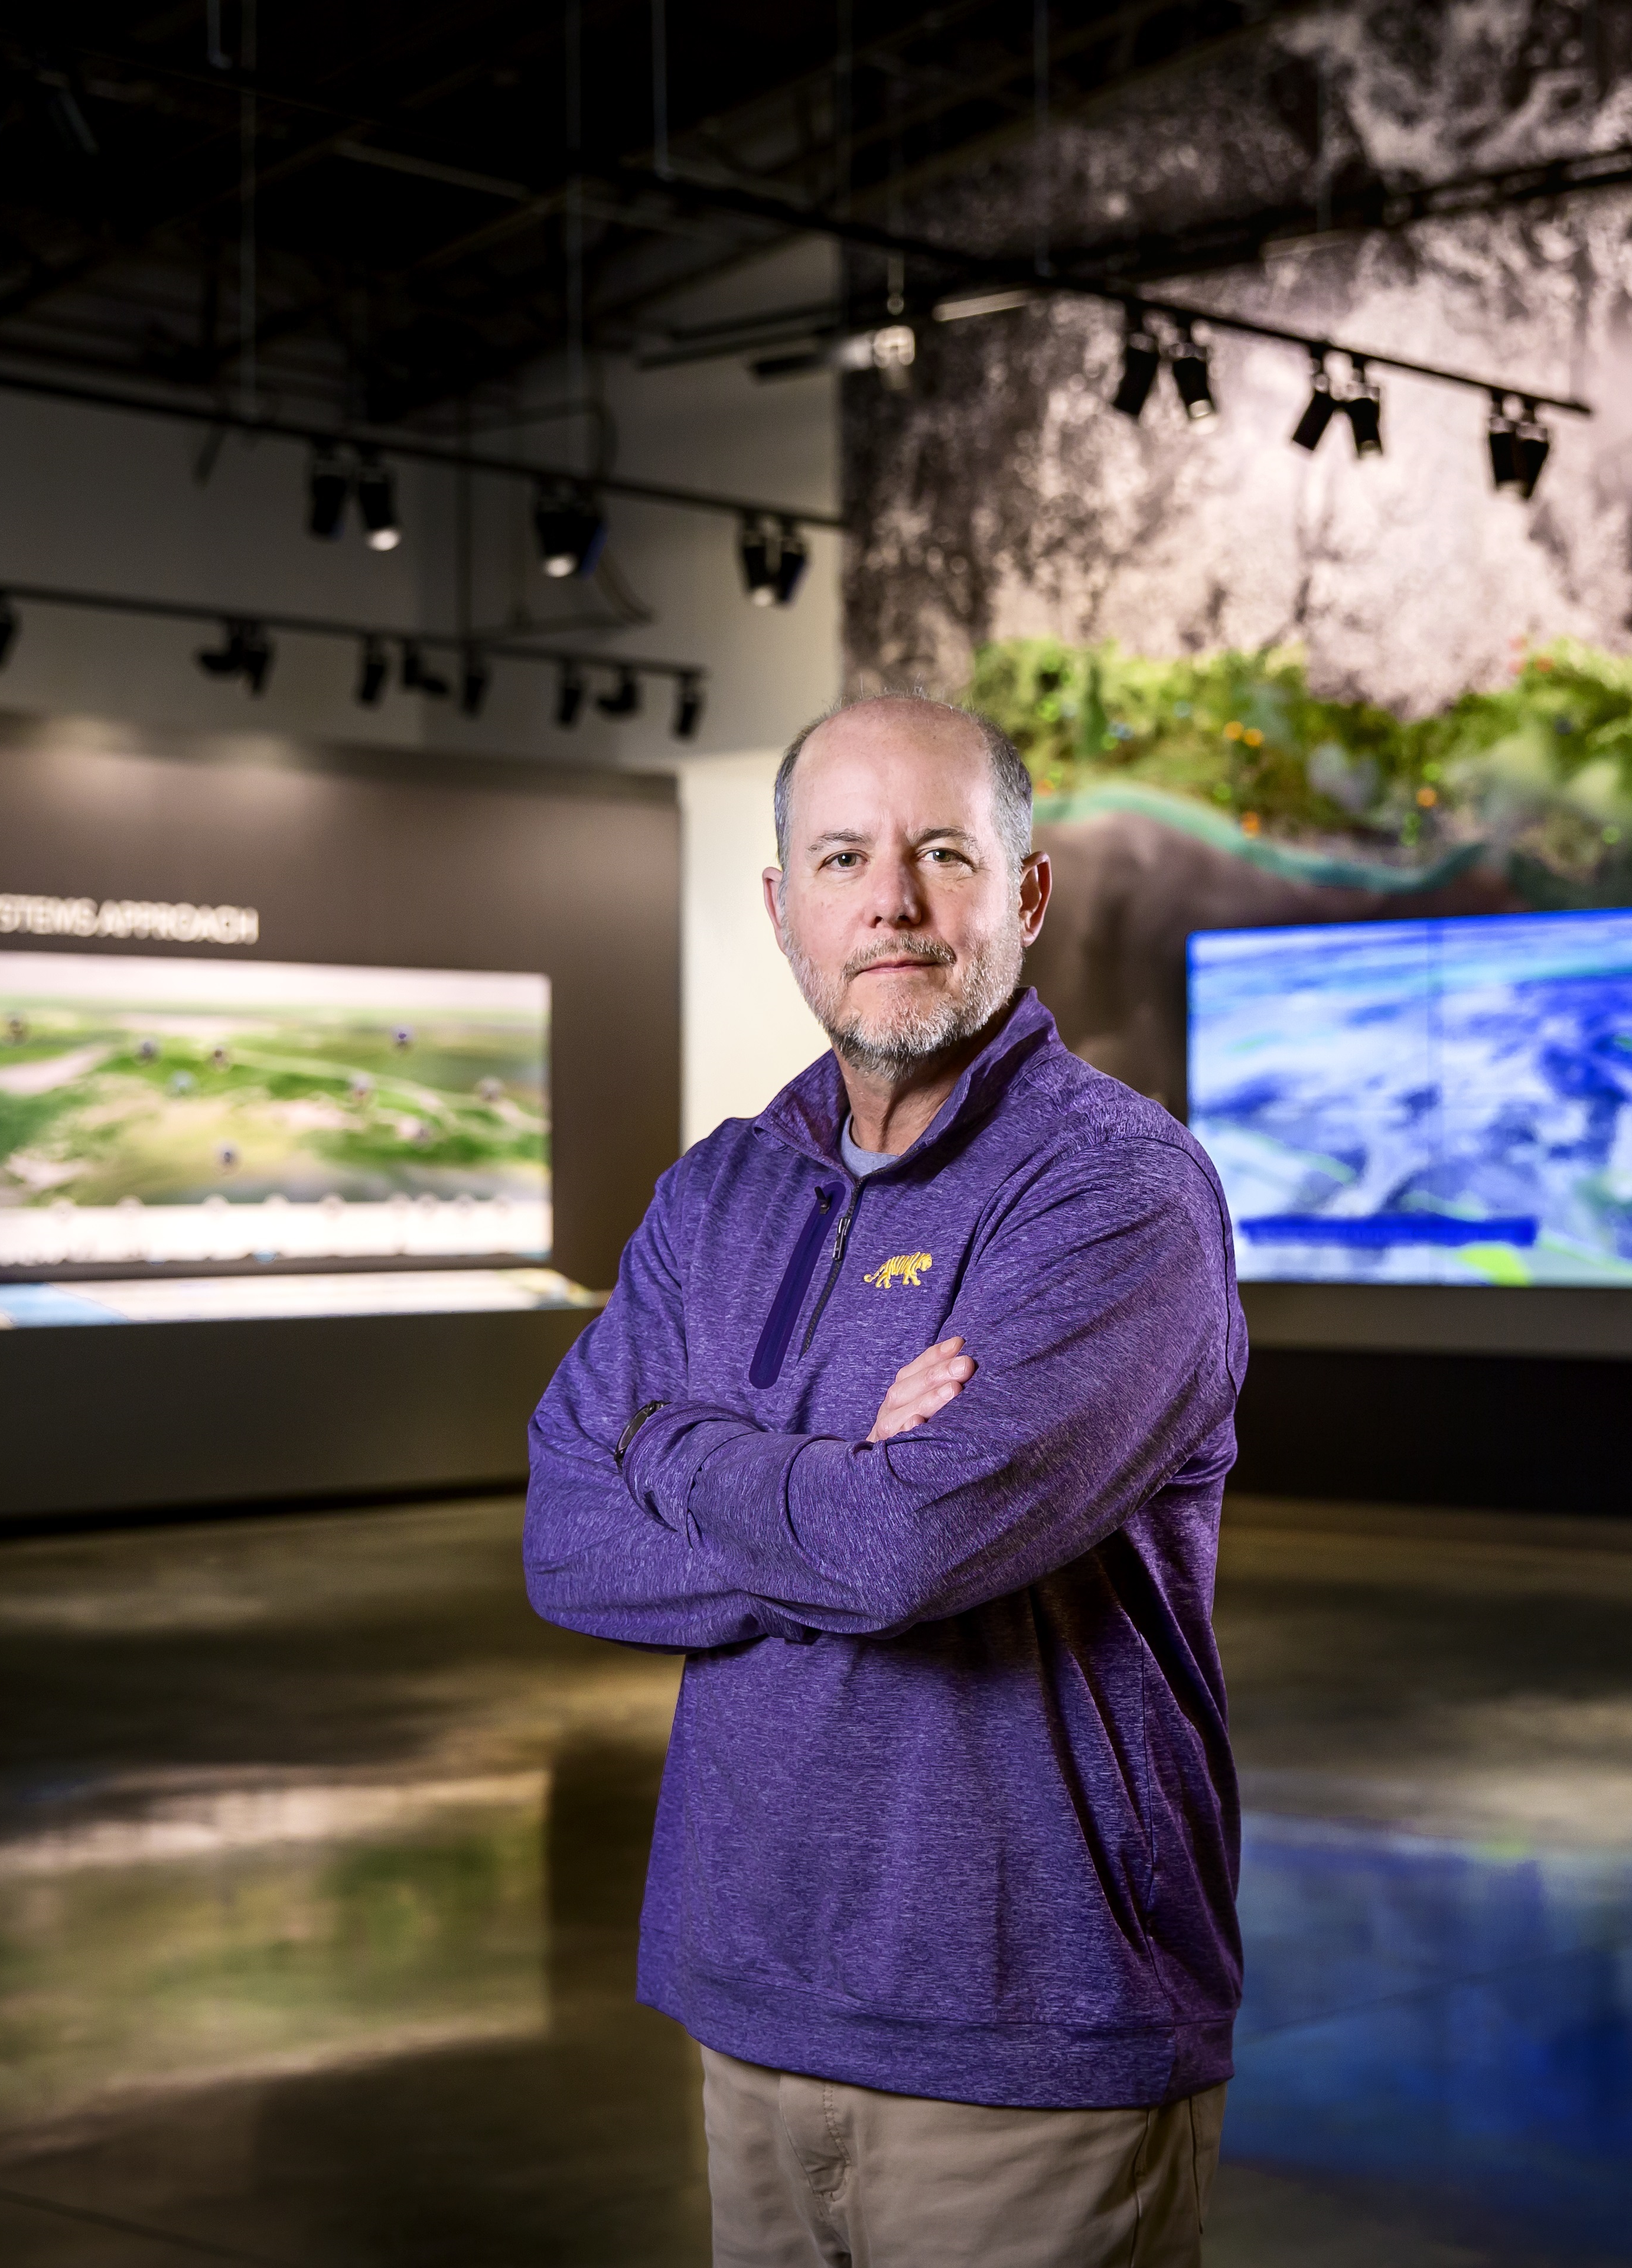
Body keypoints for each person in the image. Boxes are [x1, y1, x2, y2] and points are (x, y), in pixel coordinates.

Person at [523, 695, 1248, 2267]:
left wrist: (674, 1442)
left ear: (1026, 896)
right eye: (843, 858)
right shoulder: (719, 1189)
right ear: (782, 908)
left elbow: (900, 1552)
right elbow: (568, 1540)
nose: (893, 903)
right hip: (749, 2000)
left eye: (941, 853)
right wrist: (835, 1478)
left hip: (1030, 2037)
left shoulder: (1118, 1193)